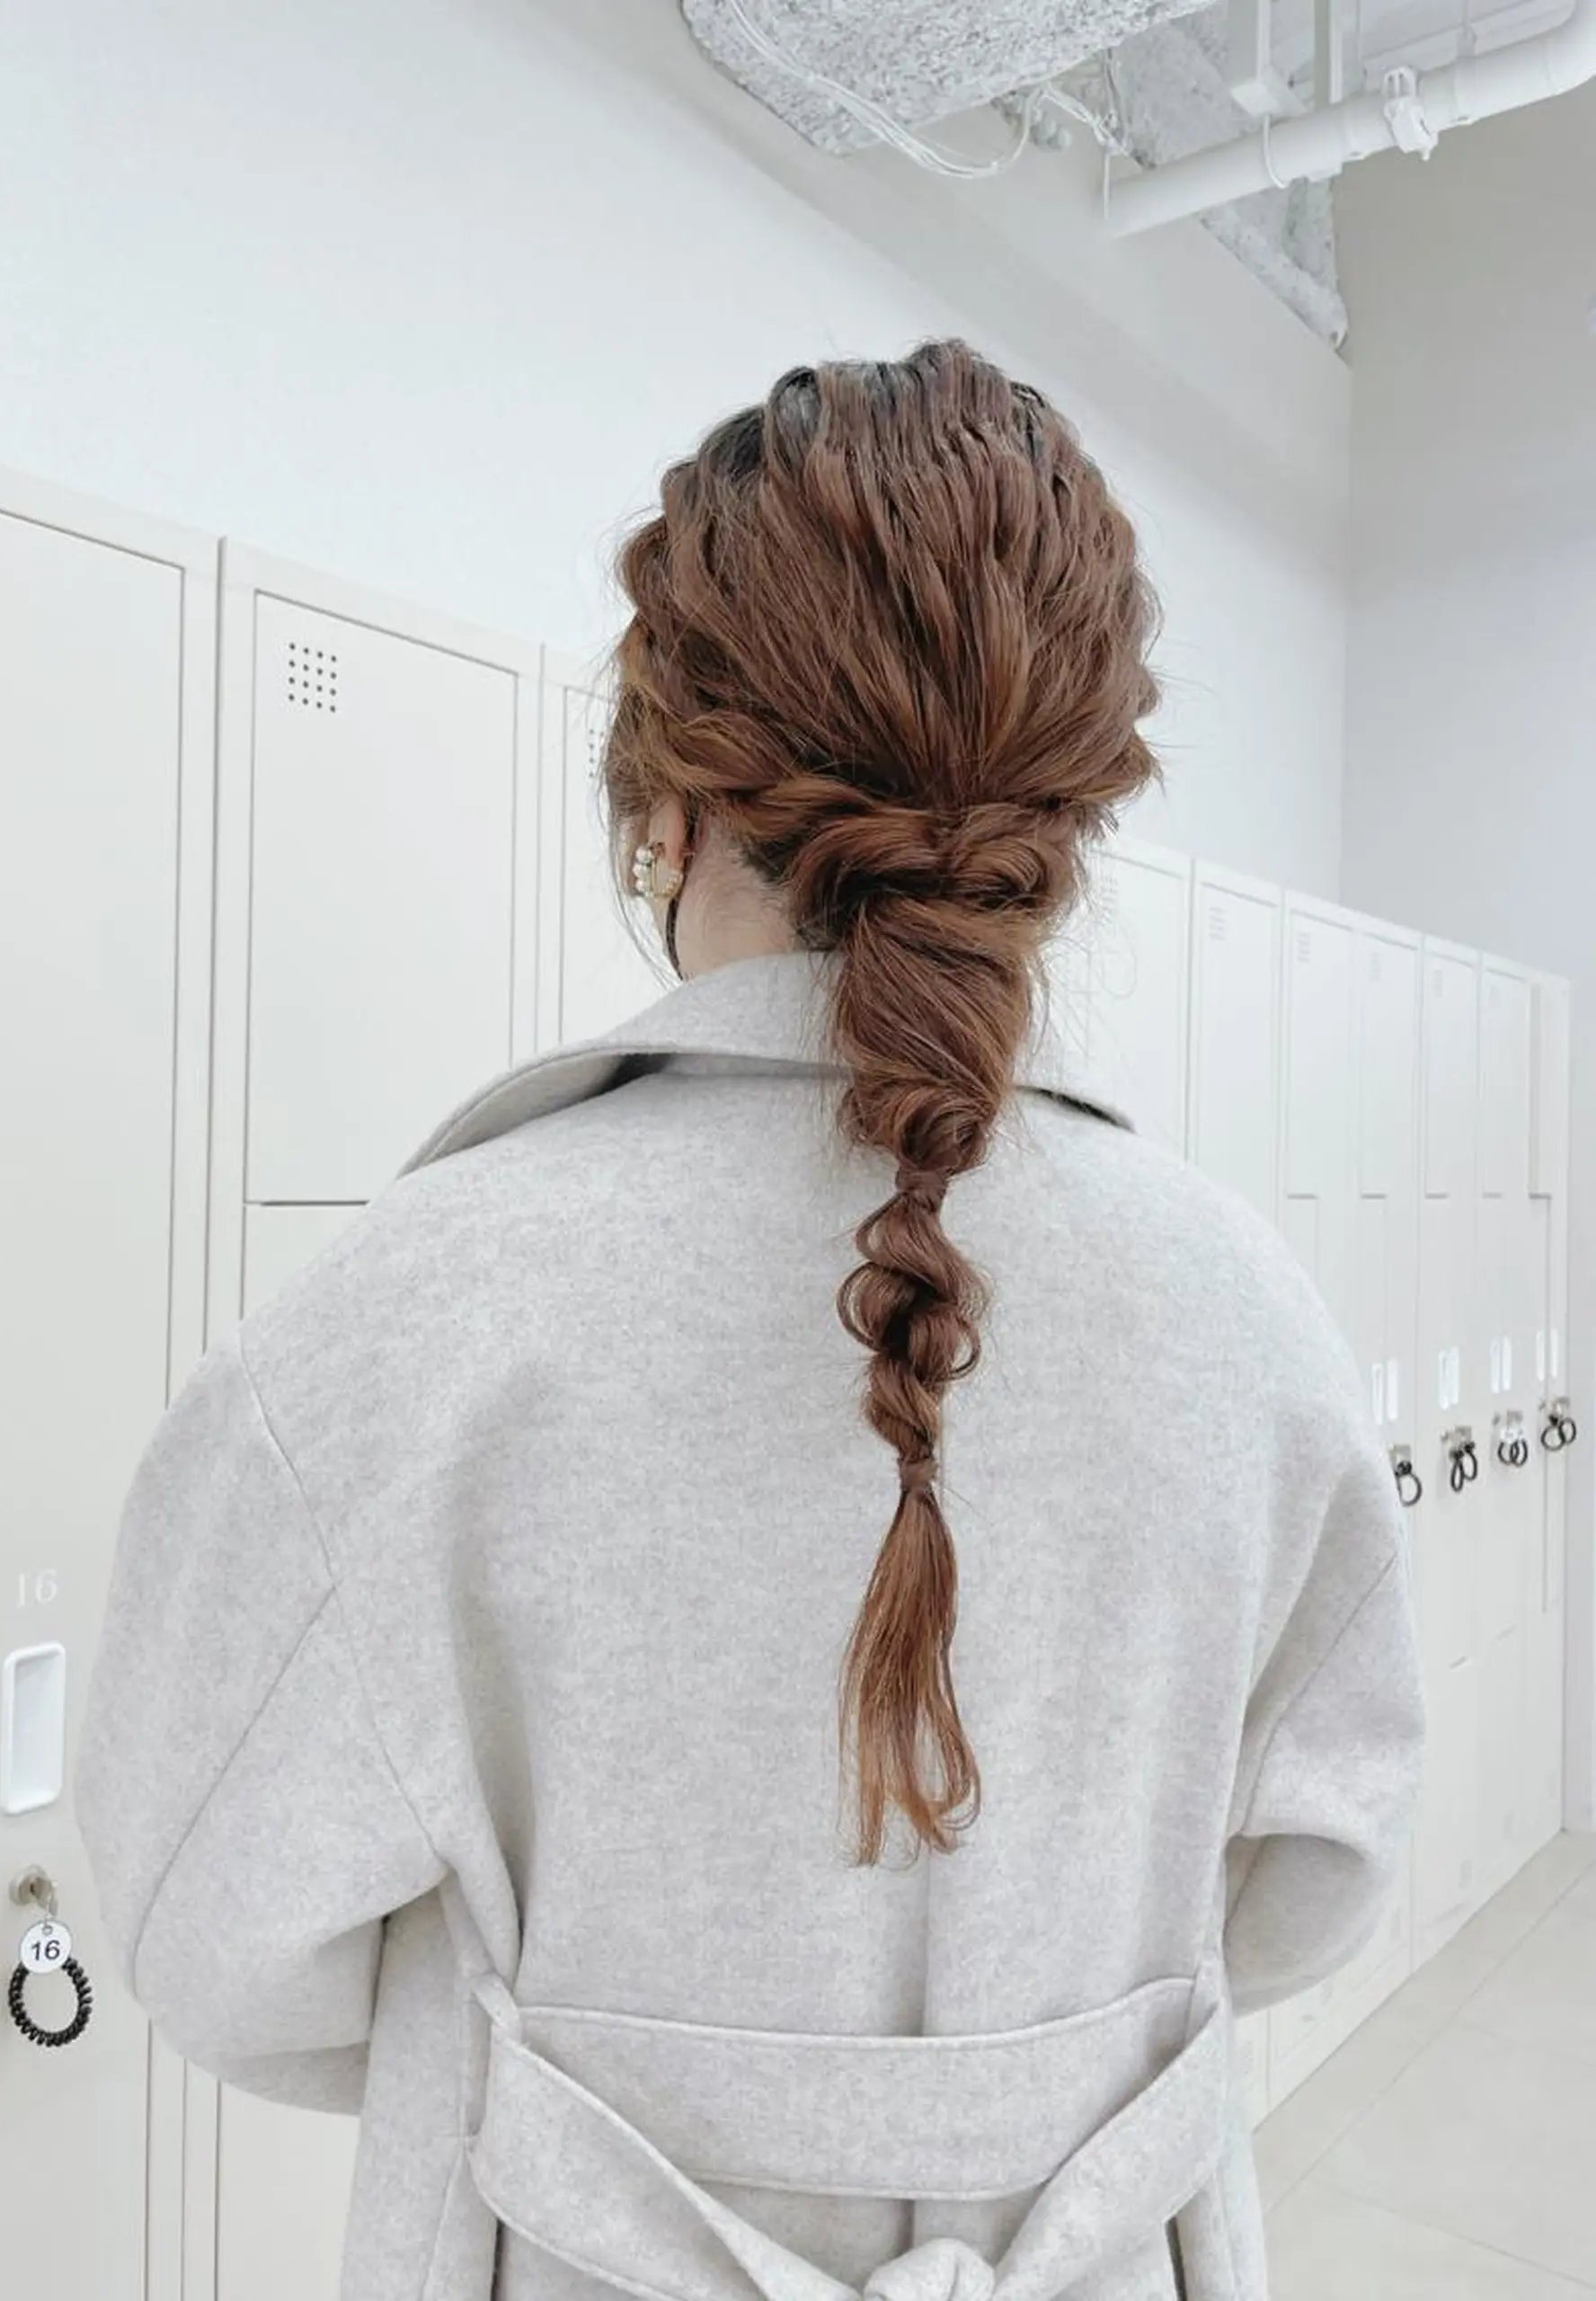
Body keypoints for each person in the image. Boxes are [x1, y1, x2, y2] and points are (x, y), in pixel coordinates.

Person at [77, 340, 1424, 2301]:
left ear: (672, 797)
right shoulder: (1258, 1328)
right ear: (1067, 825)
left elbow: (215, 1933)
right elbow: (1317, 1881)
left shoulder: (398, 1328)